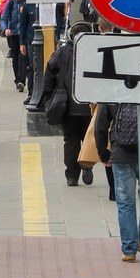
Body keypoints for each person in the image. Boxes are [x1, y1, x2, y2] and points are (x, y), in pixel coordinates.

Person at [40, 21, 95, 186]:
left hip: (67, 106)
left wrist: (48, 97)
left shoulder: (61, 53)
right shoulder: (94, 52)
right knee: (86, 138)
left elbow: (49, 74)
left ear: (70, 35)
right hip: (88, 106)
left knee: (70, 140)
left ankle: (72, 175)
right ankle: (86, 165)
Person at [94, 100, 140, 261]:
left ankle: (129, 250)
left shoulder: (114, 88)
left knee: (126, 203)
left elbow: (100, 127)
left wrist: (103, 153)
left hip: (120, 154)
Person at [0, 0, 35, 93]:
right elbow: (4, 18)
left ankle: (21, 80)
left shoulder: (27, 4)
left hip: (23, 34)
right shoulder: (11, 3)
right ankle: (18, 79)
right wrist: (6, 29)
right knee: (15, 58)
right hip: (14, 34)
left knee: (23, 57)